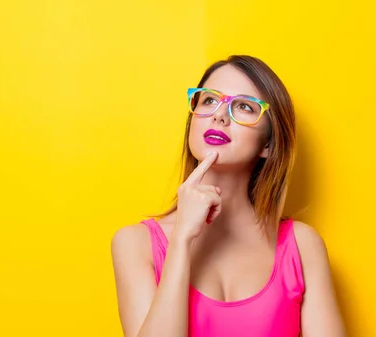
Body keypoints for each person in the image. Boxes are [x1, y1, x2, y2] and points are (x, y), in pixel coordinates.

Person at [111, 55, 345, 337]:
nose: (219, 115)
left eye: (244, 107)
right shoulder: (135, 244)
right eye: (209, 100)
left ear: (268, 145)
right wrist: (182, 239)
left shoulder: (303, 247)